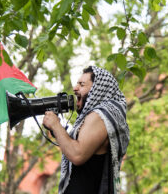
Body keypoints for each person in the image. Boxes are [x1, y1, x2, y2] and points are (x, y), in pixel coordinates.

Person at [43, 66, 130, 194]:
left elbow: (77, 154)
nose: (75, 88)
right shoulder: (97, 117)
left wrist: (56, 125)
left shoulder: (99, 116)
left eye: (82, 84)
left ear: (97, 90)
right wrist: (57, 130)